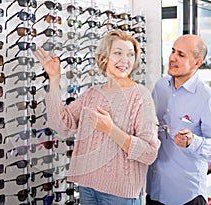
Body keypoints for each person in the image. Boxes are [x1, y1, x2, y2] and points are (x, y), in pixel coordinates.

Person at [33, 30, 161, 205]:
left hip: (120, 195)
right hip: (87, 188)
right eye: (118, 53)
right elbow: (61, 125)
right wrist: (54, 79)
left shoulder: (140, 96)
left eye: (131, 55)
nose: (125, 60)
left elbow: (149, 153)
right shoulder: (92, 94)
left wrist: (111, 130)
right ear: (104, 57)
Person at [146, 34, 211, 205]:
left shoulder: (207, 98)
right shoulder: (160, 86)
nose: (172, 58)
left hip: (186, 197)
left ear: (197, 63)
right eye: (173, 51)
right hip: (154, 191)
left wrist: (193, 142)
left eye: (181, 55)